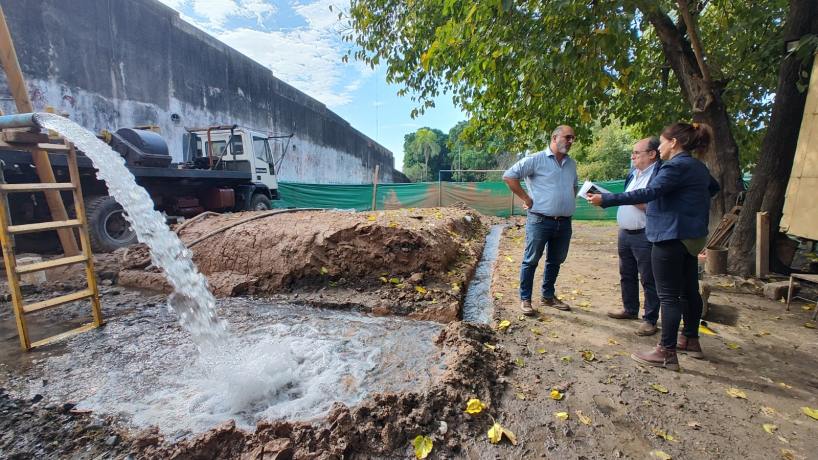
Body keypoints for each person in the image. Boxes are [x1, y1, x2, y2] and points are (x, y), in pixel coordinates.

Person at [586, 122, 719, 371]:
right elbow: (714, 188)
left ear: (674, 143)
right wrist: (685, 204)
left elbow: (649, 192)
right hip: (691, 237)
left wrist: (607, 199)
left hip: (670, 236)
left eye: (662, 141)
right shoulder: (698, 167)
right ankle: (690, 339)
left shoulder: (675, 167)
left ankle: (666, 351)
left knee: (668, 295)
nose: (661, 147)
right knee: (689, 290)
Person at [503, 125, 578, 316]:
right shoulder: (536, 159)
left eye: (572, 139)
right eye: (567, 137)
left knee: (556, 260)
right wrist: (526, 199)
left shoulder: (571, 164)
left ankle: (548, 296)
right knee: (531, 260)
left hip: (564, 222)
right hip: (540, 220)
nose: (570, 142)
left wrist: (565, 201)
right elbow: (510, 176)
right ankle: (525, 299)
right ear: (554, 137)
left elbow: (574, 186)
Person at [607, 138, 662, 336]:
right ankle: (630, 309)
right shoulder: (633, 174)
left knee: (648, 278)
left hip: (644, 234)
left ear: (652, 154)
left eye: (637, 153)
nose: (633, 156)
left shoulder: (659, 174)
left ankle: (650, 319)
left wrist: (633, 200)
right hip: (625, 232)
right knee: (626, 274)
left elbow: (655, 205)